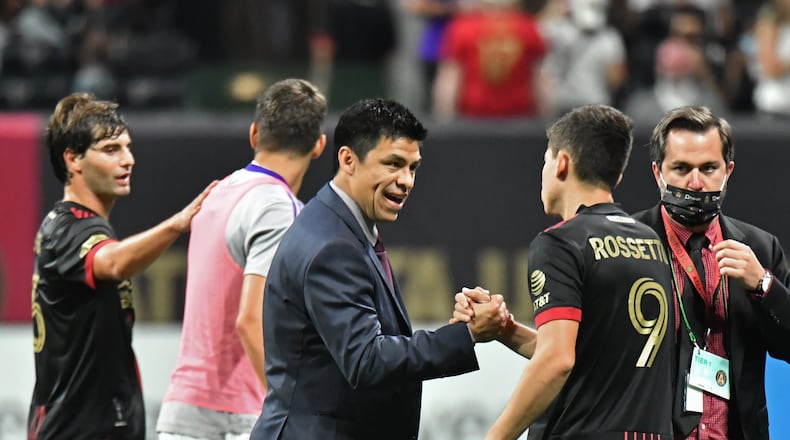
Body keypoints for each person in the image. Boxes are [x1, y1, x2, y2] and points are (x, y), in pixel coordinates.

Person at [250, 97, 507, 440]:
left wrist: (459, 329)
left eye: (413, 167)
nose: (406, 180)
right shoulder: (333, 245)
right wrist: (466, 335)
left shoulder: (342, 227)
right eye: (393, 164)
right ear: (348, 160)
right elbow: (366, 359)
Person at [455, 105, 675, 440]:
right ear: (616, 176)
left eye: (545, 159)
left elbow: (557, 360)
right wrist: (507, 330)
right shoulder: (653, 242)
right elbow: (589, 353)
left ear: (562, 163)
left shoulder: (561, 242)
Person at [28, 92, 215, 440]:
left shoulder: (71, 224)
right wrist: (178, 223)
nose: (127, 160)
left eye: (128, 147)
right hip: (80, 431)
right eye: (111, 150)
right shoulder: (71, 228)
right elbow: (112, 264)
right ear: (73, 159)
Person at [156, 79, 328, 440]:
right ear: (319, 146)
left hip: (184, 411)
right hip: (232, 419)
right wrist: (293, 409)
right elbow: (250, 321)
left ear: (254, 134)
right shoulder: (276, 208)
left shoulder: (220, 190)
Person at [632, 105, 790, 439]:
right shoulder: (628, 243)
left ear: (728, 170)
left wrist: (762, 285)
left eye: (708, 168)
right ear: (658, 173)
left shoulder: (760, 248)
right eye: (681, 168)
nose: (695, 182)